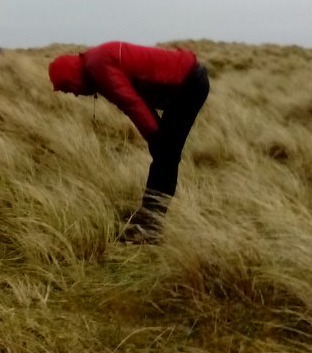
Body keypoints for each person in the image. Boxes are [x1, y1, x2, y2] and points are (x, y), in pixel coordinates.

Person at [48, 41, 209, 244]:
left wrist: (155, 135)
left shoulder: (98, 66)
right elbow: (138, 99)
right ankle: (148, 221)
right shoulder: (95, 64)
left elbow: (130, 102)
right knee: (164, 154)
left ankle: (150, 227)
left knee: (166, 155)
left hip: (189, 83)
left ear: (71, 74)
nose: (75, 93)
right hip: (187, 81)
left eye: (68, 88)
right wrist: (155, 135)